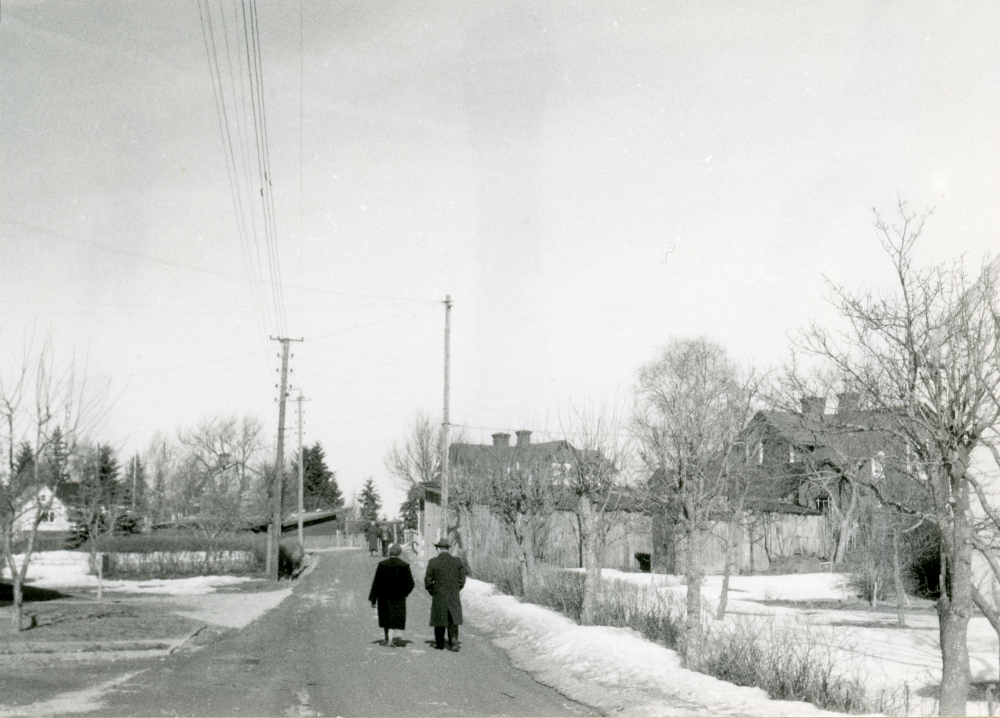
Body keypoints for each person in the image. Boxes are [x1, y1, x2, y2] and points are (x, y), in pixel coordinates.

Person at [368, 544, 415, 647]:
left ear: (389, 552)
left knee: (386, 616)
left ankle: (387, 638)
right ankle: (390, 638)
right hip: (398, 597)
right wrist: (404, 593)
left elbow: (376, 583)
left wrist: (373, 599)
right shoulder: (404, 566)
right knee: (394, 617)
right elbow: (411, 584)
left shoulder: (382, 565)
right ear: (399, 552)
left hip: (384, 596)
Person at [424, 538, 466, 652]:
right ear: (448, 549)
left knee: (440, 618)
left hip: (439, 594)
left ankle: (440, 643)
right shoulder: (457, 561)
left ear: (438, 549)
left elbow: (427, 580)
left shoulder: (433, 562)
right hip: (453, 594)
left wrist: (433, 591)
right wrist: (456, 589)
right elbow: (462, 579)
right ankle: (453, 641)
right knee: (452, 618)